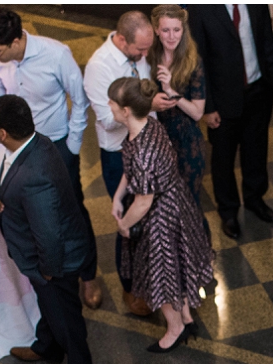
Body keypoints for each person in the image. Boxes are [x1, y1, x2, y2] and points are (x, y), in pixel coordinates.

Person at [0, 7, 103, 312]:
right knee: (23, 209)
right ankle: (39, 275)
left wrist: (72, 146)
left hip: (55, 144)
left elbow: (79, 99)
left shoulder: (56, 54)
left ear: (17, 41)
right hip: (16, 147)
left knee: (72, 211)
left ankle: (87, 275)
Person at [0, 95, 97, 364]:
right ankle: (47, 346)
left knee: (65, 317)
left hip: (54, 261)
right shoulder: (36, 142)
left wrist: (48, 271)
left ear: (3, 133)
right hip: (53, 254)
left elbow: (47, 233)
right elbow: (7, 170)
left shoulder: (35, 176)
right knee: (51, 309)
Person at [108, 78, 217, 354]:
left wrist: (124, 224)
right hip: (177, 204)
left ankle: (175, 328)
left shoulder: (143, 149)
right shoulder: (149, 125)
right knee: (178, 265)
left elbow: (144, 202)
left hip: (160, 219)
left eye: (112, 102)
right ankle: (188, 317)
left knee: (162, 274)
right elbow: (130, 168)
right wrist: (119, 196)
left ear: (126, 111)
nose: (108, 106)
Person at [188, 4, 273, 241]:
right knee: (223, 159)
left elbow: (266, 40)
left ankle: (254, 199)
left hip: (258, 91)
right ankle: (228, 211)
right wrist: (207, 107)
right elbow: (197, 60)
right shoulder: (201, 9)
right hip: (221, 100)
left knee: (256, 150)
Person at [84, 12, 154, 316]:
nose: (145, 55)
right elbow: (109, 123)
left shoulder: (139, 54)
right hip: (118, 153)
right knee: (128, 221)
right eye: (140, 50)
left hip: (148, 145)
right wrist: (145, 106)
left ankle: (152, 279)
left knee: (151, 218)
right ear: (122, 39)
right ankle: (130, 288)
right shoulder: (100, 67)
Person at [148, 6, 209, 204]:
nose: (172, 36)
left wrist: (171, 92)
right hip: (156, 140)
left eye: (177, 30)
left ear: (184, 30)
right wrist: (152, 104)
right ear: (156, 29)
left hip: (186, 142)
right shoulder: (148, 58)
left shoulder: (193, 62)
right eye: (166, 30)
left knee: (187, 204)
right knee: (161, 205)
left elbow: (198, 113)